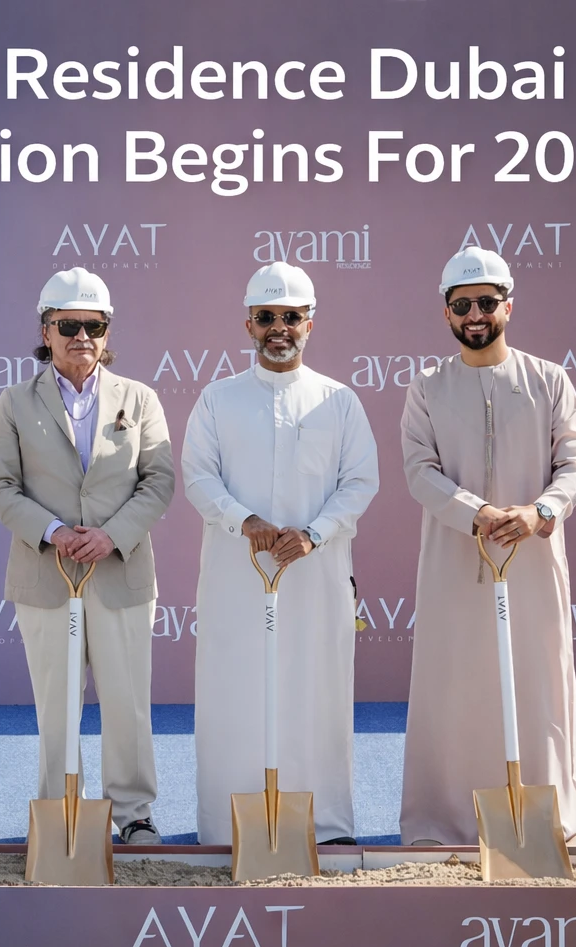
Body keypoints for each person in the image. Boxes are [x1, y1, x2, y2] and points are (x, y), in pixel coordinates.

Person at [181, 261, 379, 845]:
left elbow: (359, 482)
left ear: (309, 323)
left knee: (318, 690)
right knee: (233, 690)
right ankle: (227, 826)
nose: (279, 328)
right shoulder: (216, 399)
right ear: (248, 323)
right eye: (266, 316)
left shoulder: (339, 400)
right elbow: (198, 476)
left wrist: (314, 533)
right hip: (235, 576)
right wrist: (243, 521)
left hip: (316, 576)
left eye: (291, 316)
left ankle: (326, 825)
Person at [400, 245, 576, 846]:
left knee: (538, 683)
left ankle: (544, 820)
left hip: (533, 562)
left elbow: (571, 464)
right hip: (454, 563)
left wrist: (539, 512)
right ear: (446, 312)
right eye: (462, 305)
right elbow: (419, 471)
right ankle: (443, 821)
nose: (474, 315)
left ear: (508, 306)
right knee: (452, 688)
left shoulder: (550, 380)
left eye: (486, 302)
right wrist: (475, 513)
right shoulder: (427, 387)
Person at [0, 268, 175, 845]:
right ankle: (59, 812)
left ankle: (134, 814)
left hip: (120, 572)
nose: (82, 336)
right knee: (55, 705)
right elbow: (2, 485)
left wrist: (110, 536)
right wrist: (53, 532)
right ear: (46, 330)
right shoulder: (12, 402)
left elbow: (158, 481)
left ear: (107, 331)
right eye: (69, 325)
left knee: (128, 703)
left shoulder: (140, 398)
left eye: (93, 326)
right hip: (46, 575)